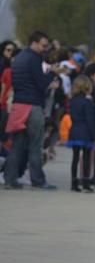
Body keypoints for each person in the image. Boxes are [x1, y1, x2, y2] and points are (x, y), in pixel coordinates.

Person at [3, 30, 58, 190]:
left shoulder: (19, 58)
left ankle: (10, 179)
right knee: (35, 144)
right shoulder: (34, 59)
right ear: (34, 43)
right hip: (33, 106)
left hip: (18, 106)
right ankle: (38, 180)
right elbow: (41, 84)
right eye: (43, 45)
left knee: (17, 145)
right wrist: (52, 74)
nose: (45, 48)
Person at [66, 75, 95, 192]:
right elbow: (90, 120)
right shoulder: (87, 102)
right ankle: (85, 183)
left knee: (75, 158)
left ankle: (73, 183)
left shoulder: (72, 101)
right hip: (85, 132)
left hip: (74, 130)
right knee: (86, 158)